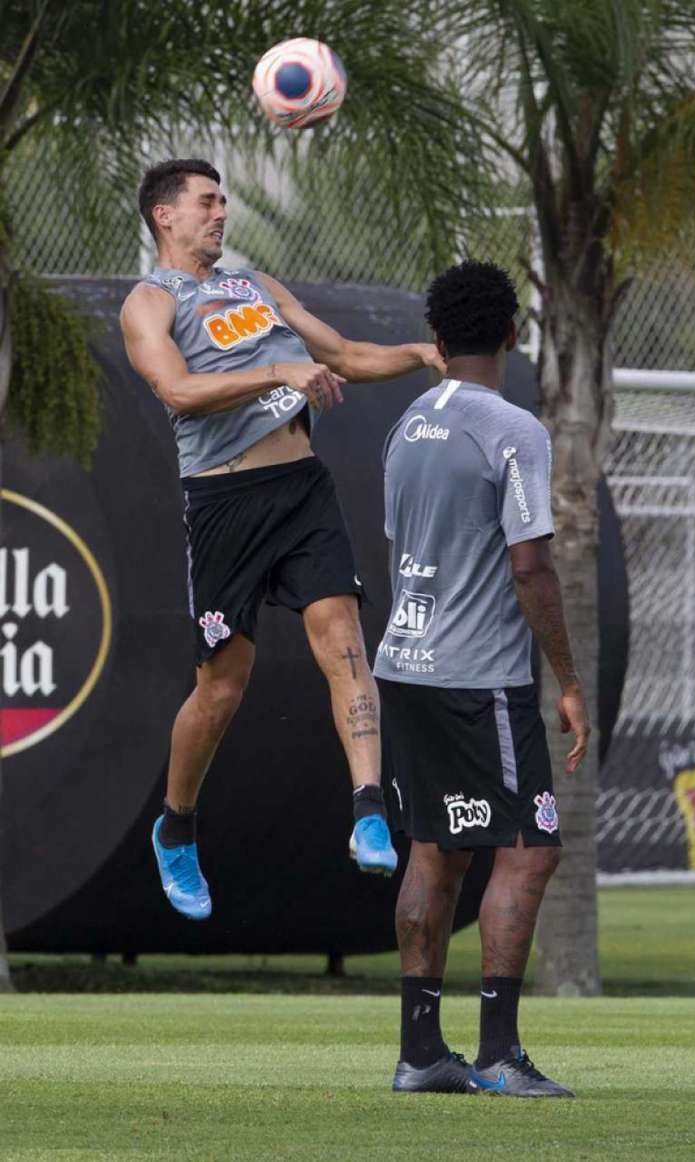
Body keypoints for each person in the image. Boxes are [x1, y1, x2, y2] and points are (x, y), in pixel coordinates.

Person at [120, 157, 444, 919]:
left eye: (224, 201)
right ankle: (177, 826)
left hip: (301, 489)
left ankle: (369, 808)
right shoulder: (149, 301)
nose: (221, 214)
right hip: (224, 500)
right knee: (222, 686)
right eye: (206, 202)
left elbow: (340, 357)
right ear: (165, 215)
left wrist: (423, 356)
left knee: (343, 640)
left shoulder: (256, 287)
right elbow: (177, 392)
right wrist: (275, 372)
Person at [374, 259, 590, 1097]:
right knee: (530, 850)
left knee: (437, 851)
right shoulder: (513, 429)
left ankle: (421, 1053)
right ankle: (498, 1052)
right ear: (510, 333)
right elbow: (530, 567)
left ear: (436, 338)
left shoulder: (405, 427)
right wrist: (566, 679)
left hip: (409, 663)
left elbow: (404, 545)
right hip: (481, 677)